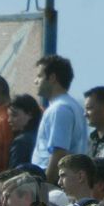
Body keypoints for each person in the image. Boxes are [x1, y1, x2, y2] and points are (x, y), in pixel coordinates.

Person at [32, 55, 86, 184]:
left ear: (52, 78)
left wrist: (45, 187)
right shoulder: (72, 105)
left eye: (39, 76)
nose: (35, 81)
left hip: (53, 183)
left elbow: (59, 152)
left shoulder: (60, 109)